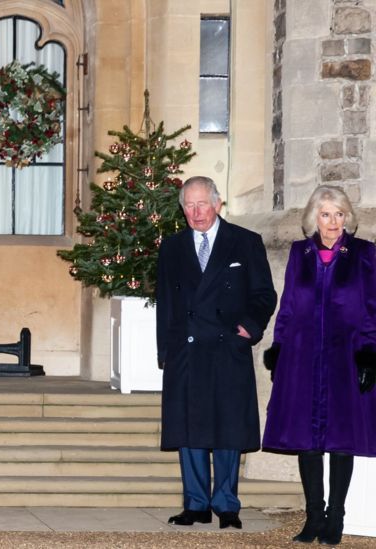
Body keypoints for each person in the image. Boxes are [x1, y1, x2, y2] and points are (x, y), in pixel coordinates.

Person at [155, 176, 277, 530]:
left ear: (217, 204)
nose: (196, 213)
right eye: (189, 205)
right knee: (189, 431)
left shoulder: (245, 242)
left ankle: (226, 504)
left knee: (228, 429)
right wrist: (165, 350)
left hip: (227, 349)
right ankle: (195, 504)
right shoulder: (172, 247)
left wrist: (249, 328)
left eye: (202, 204)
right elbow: (166, 303)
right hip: (186, 352)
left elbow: (264, 295)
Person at [261, 185, 376, 545]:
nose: (332, 221)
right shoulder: (300, 253)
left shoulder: (364, 253)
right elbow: (290, 304)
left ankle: (336, 518)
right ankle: (313, 516)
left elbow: (372, 308)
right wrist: (278, 346)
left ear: (347, 217)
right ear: (314, 217)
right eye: (325, 214)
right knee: (307, 441)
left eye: (339, 214)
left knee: (342, 440)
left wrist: (370, 352)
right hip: (303, 354)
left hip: (346, 356)